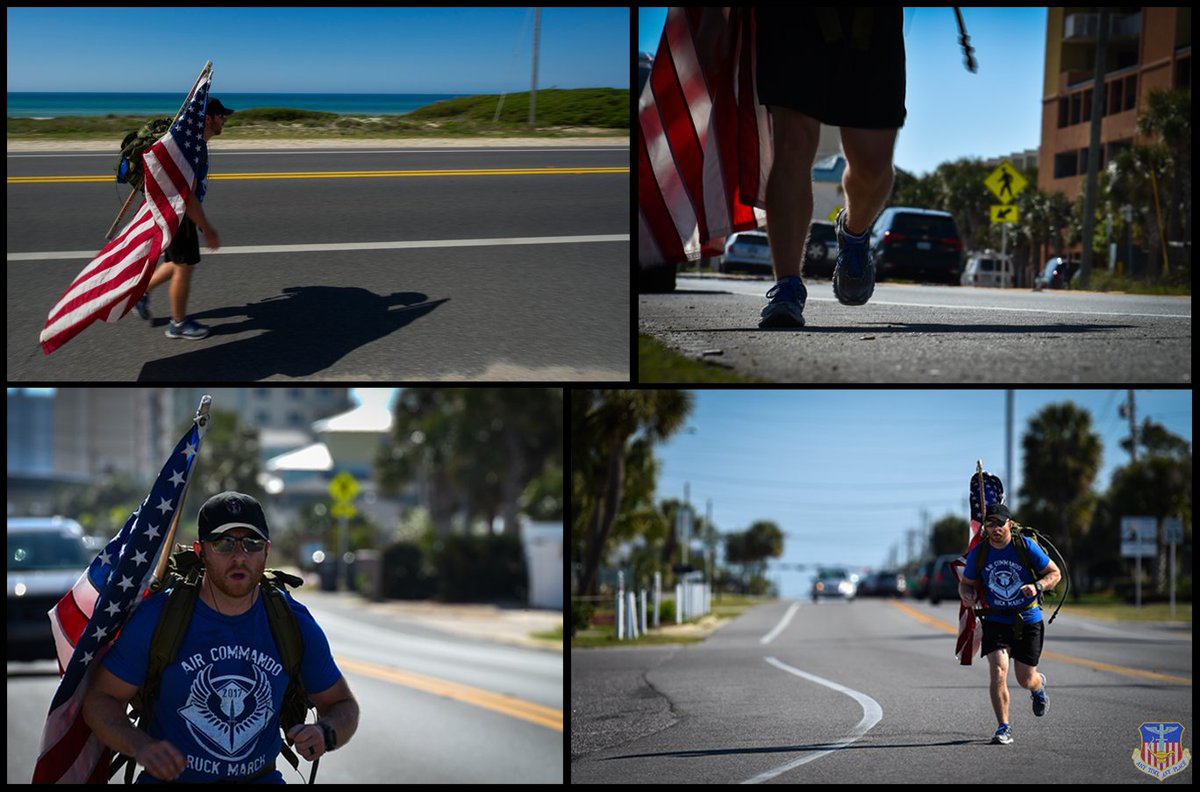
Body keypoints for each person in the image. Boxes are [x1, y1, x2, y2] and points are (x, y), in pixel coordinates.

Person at [82, 491, 360, 783]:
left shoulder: (292, 622)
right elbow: (100, 700)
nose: (239, 556)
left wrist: (325, 732)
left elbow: (343, 706)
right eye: (223, 543)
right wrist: (141, 746)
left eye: (251, 544)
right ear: (201, 551)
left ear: (266, 550)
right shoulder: (158, 618)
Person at [754, 8, 905, 328]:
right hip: (793, 20)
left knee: (872, 166)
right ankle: (787, 286)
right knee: (792, 144)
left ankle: (854, 232)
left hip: (871, 22)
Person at [957, 504, 1061, 746]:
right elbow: (966, 583)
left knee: (1025, 678)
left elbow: (1054, 573)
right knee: (998, 670)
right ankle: (1003, 726)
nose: (995, 528)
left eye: (999, 523)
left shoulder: (1025, 547)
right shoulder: (979, 553)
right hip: (995, 619)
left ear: (1010, 525)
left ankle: (1038, 686)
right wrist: (966, 594)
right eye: (990, 523)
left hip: (1027, 619)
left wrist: (1037, 586)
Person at [135, 98, 234, 340]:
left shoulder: (193, 144)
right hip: (182, 215)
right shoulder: (194, 149)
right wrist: (206, 227)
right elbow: (187, 195)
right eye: (222, 116)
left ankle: (142, 293)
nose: (225, 120)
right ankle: (177, 325)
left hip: (175, 212)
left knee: (176, 262)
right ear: (208, 118)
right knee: (185, 267)